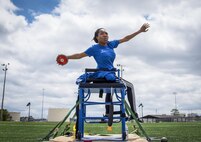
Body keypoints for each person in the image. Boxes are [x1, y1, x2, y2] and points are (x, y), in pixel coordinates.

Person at [59, 23, 149, 135]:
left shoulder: (111, 45)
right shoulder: (94, 48)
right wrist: (66, 57)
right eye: (102, 33)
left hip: (111, 74)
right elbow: (79, 55)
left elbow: (126, 38)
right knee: (112, 82)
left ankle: (132, 114)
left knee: (128, 86)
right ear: (97, 37)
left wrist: (139, 31)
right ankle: (86, 121)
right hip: (100, 73)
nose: (105, 35)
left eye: (106, 33)